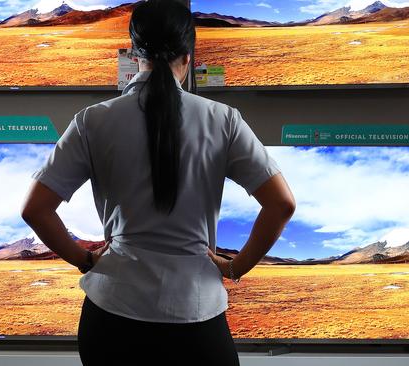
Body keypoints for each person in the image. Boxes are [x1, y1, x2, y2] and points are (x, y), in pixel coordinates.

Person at [21, 0, 295, 364]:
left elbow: (36, 210)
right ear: (189, 53)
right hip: (196, 318)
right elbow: (282, 204)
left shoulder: (92, 121)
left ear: (134, 52)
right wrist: (235, 267)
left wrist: (84, 260)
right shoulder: (223, 120)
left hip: (111, 317)